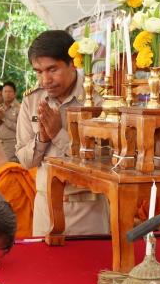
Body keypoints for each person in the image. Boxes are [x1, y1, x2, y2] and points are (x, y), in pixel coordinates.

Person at [16, 30, 110, 236]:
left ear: (72, 63)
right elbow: (25, 161)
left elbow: (105, 160)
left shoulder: (97, 100)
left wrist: (59, 134)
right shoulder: (32, 101)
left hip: (88, 208)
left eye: (52, 69)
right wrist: (42, 138)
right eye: (38, 72)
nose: (45, 80)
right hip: (46, 207)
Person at [0, 81, 20, 161]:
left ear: (14, 93)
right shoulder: (0, 107)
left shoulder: (19, 108)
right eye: (5, 91)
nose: (7, 94)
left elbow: (20, 129)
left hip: (12, 146)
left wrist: (4, 119)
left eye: (10, 91)